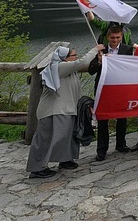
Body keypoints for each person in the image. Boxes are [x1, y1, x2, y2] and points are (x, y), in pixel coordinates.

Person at [26, 46, 93, 179]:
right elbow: (83, 62)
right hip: (53, 110)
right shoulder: (59, 67)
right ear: (64, 58)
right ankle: (37, 168)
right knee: (46, 139)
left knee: (66, 137)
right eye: (74, 55)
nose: (76, 57)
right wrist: (96, 49)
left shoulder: (70, 71)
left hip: (66, 109)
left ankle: (65, 159)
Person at [88, 25, 134, 161]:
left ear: (121, 37)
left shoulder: (127, 49)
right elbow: (91, 70)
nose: (115, 40)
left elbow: (131, 68)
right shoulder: (100, 50)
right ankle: (102, 150)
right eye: (112, 37)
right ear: (108, 37)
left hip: (120, 87)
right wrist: (100, 61)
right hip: (103, 88)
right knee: (103, 119)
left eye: (118, 37)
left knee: (122, 117)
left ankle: (121, 144)